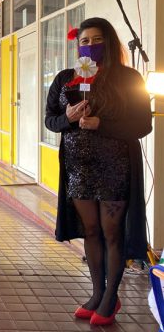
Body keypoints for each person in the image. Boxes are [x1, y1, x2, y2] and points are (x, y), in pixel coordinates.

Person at [45, 17, 152, 326]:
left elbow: (143, 124)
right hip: (79, 168)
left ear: (109, 41)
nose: (90, 46)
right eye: (84, 41)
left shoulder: (129, 78)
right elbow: (50, 121)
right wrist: (67, 117)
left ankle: (110, 298)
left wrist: (101, 124)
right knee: (90, 231)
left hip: (114, 166)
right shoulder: (66, 79)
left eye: (96, 39)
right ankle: (97, 293)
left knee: (112, 232)